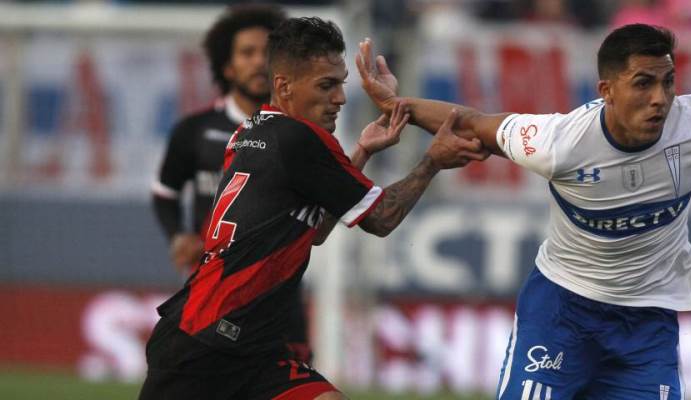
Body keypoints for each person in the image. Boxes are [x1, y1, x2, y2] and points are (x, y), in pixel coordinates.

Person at [356, 23, 691, 399]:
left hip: (647, 319)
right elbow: (471, 122)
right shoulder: (558, 142)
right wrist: (395, 105)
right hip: (562, 310)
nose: (660, 98)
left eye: (667, 81)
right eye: (643, 83)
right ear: (607, 90)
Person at [140, 17, 488, 400]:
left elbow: (316, 230)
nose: (340, 98)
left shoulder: (252, 130)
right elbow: (381, 217)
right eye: (326, 85)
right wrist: (432, 161)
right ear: (284, 86)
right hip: (203, 346)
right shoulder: (300, 138)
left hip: (251, 349)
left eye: (341, 84)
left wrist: (363, 151)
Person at [151, 5, 320, 362]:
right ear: (227, 66)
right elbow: (164, 194)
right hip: (213, 292)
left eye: (267, 53)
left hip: (279, 292)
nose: (259, 62)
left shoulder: (301, 134)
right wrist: (178, 236)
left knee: (294, 378)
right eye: (247, 53)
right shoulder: (194, 131)